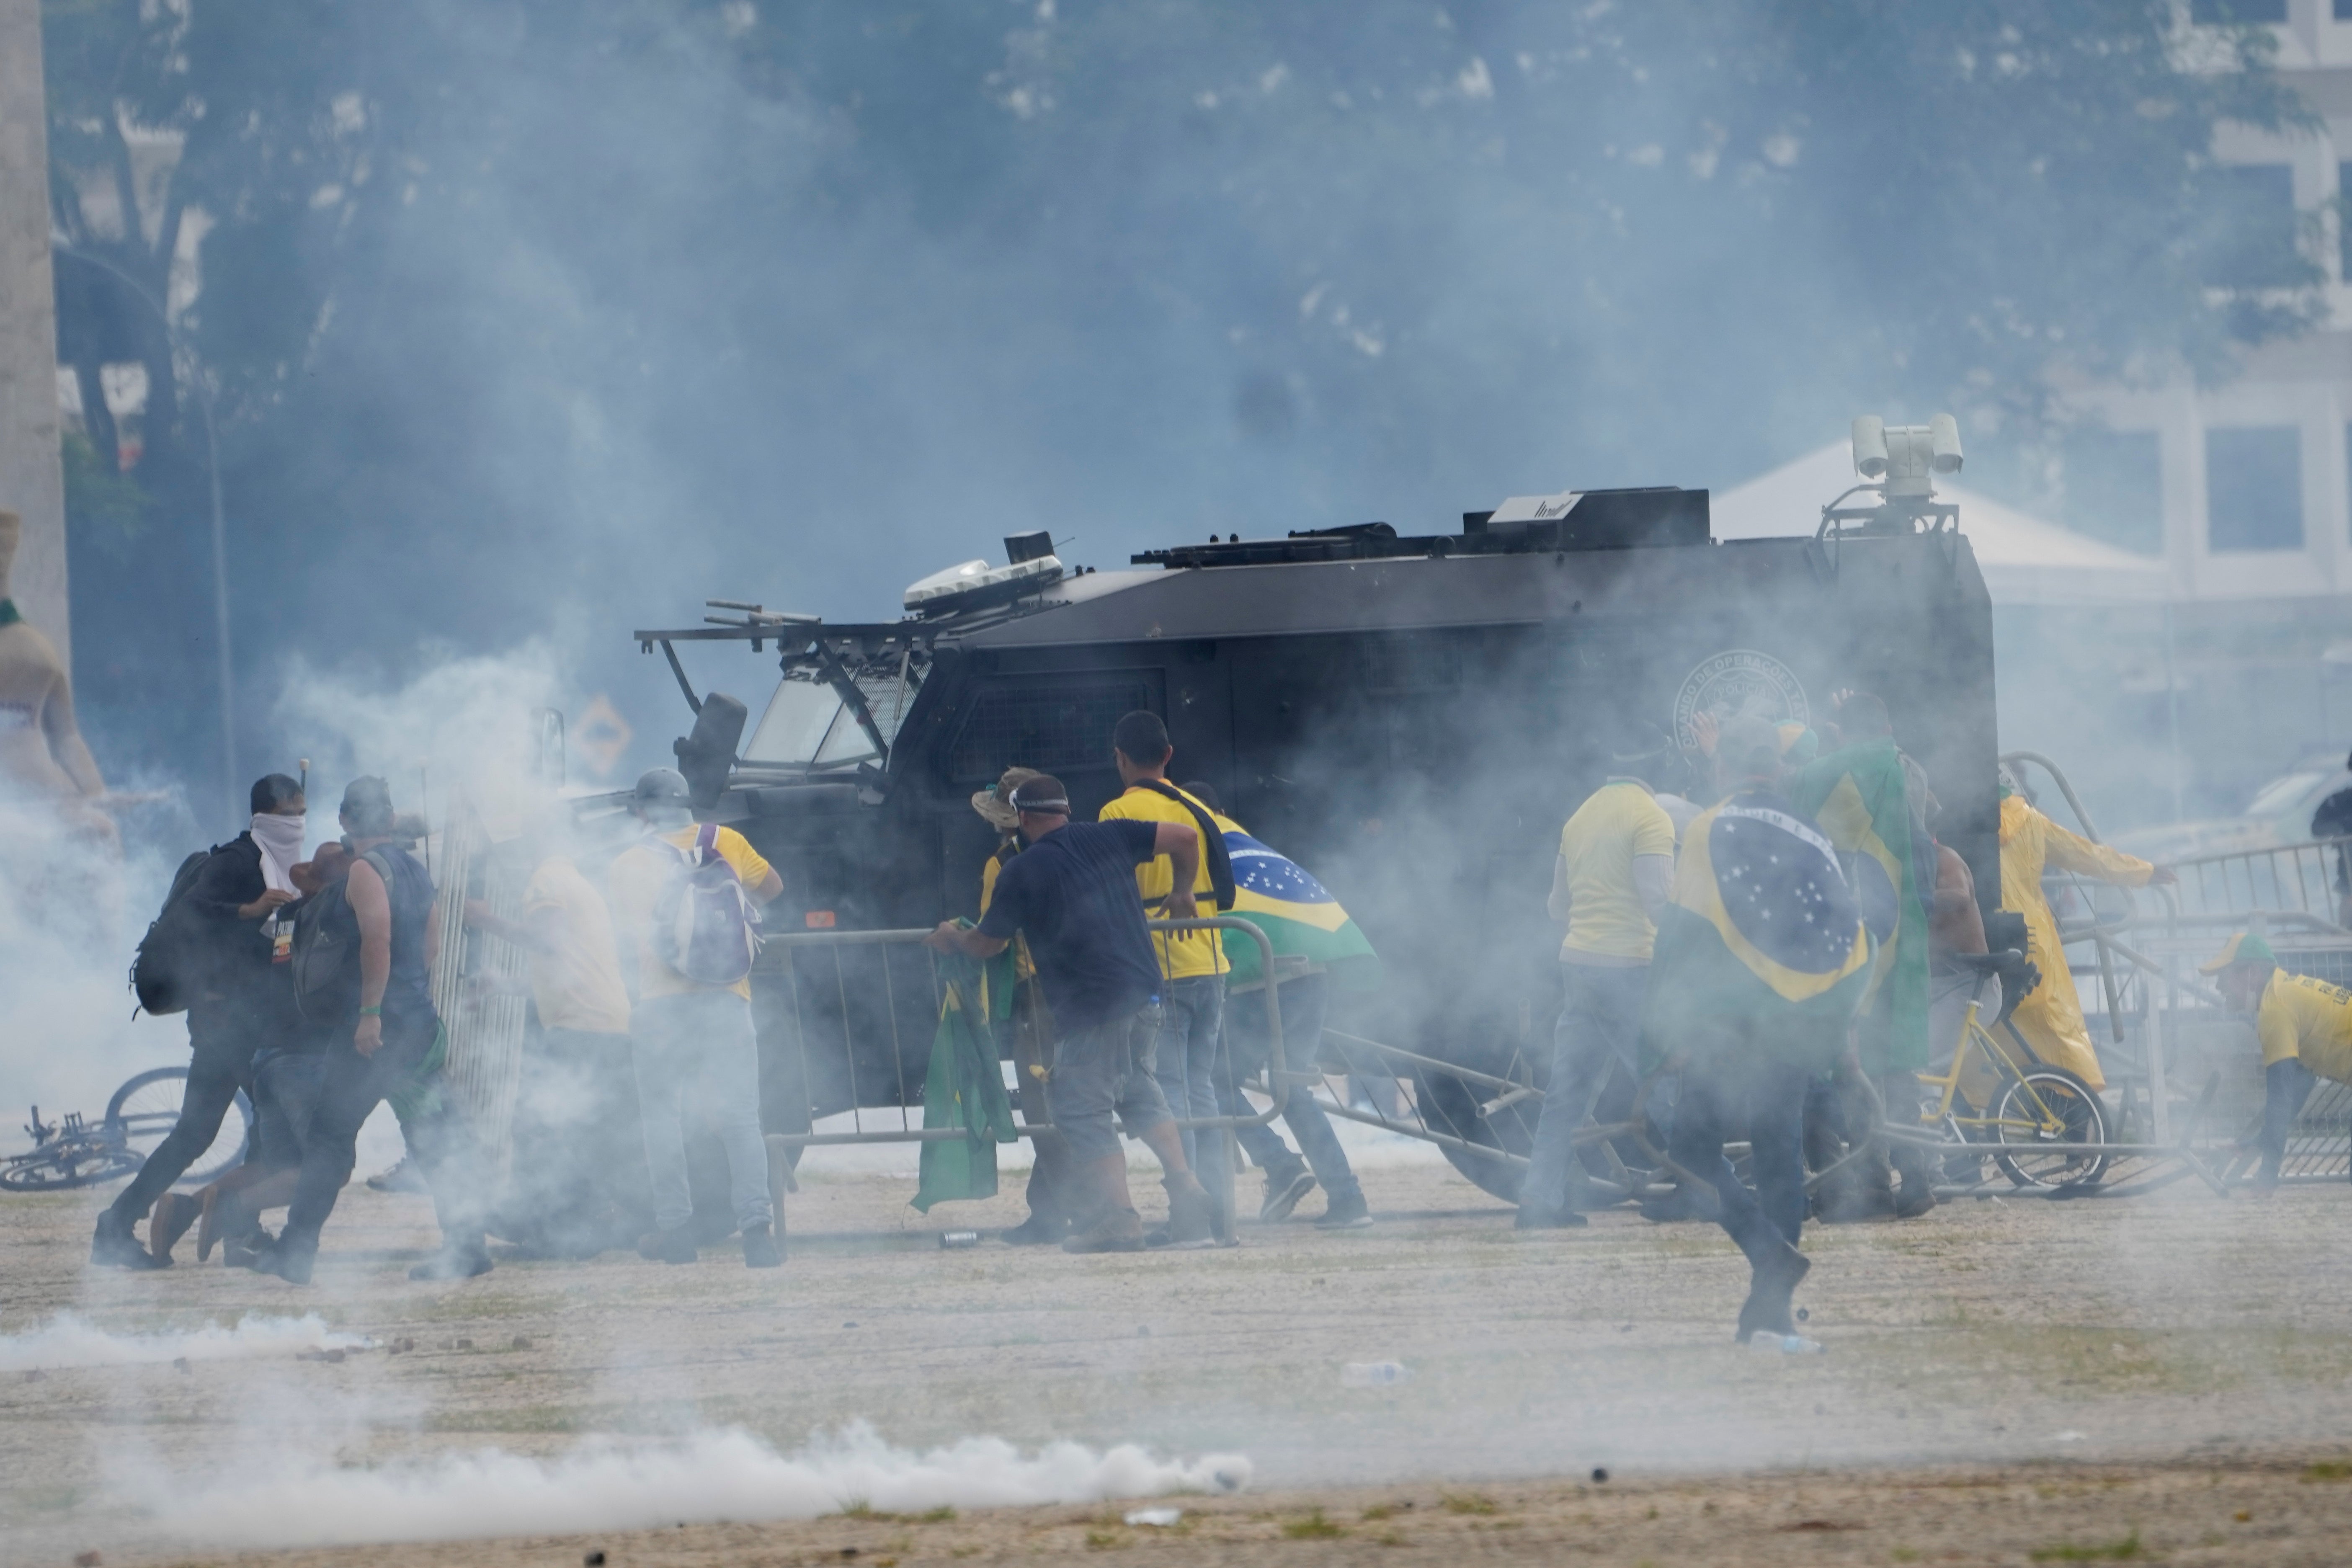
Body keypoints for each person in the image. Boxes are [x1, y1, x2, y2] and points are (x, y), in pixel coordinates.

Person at [1643, 717, 1874, 1343]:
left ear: (1724, 773)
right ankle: (1767, 1315)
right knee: (1779, 1157)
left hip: (1727, 1022)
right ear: (1778, 772)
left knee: (1689, 1153)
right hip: (1798, 1021)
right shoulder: (1814, 835)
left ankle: (1765, 1251)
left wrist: (1664, 1033)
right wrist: (1842, 1036)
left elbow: (1682, 934)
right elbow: (1854, 937)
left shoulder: (1705, 829)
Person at [925, 773, 1217, 1253]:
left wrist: (951, 938)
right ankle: (1189, 1197)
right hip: (1145, 993)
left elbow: (986, 944)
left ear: (1021, 817)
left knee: (1080, 1111)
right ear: (1065, 808)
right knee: (1141, 1093)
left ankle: (1120, 1219)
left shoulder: (1023, 869)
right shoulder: (1110, 834)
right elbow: (1186, 838)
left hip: (1090, 1004)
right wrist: (1183, 890)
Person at [258, 777, 488, 1284]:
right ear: (388, 820)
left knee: (330, 1138)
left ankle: (295, 1254)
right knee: (435, 1137)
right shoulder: (414, 868)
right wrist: (412, 996)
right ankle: (469, 1248)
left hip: (379, 1035)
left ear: (344, 821)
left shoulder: (365, 870)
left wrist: (371, 1014)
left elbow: (376, 941)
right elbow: (431, 945)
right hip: (420, 1027)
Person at [91, 773, 307, 1269]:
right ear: (264, 816)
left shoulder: (277, 863)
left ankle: (118, 1225)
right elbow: (194, 913)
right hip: (229, 1020)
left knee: (196, 1133)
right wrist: (250, 909)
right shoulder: (238, 861)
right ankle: (239, 1230)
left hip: (235, 1019)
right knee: (268, 1129)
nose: (297, 823)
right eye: (289, 815)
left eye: (302, 814)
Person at [606, 767, 784, 1269]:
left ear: (642, 811)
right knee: (740, 1118)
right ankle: (757, 1237)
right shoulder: (727, 841)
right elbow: (773, 887)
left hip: (661, 1006)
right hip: (727, 997)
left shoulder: (625, 865)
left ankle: (677, 1236)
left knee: (662, 1120)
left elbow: (626, 937)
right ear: (688, 805)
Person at [1177, 780, 1375, 1231]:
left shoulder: (1201, 846)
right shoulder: (1251, 844)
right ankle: (1349, 1199)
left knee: (1211, 1081)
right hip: (1311, 973)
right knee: (1291, 1086)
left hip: (1264, 980)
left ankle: (1280, 1165)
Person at [464, 811, 648, 1258]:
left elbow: (548, 943)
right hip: (601, 1021)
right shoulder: (579, 883)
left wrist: (485, 920)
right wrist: (502, 985)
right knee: (582, 1130)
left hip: (581, 1026)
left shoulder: (546, 881)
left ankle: (556, 1229)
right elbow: (566, 964)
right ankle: (567, 1224)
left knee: (550, 1126)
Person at [1518, 729, 1679, 1231]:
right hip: (1629, 964)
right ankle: (1702, 1188)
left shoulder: (1580, 816)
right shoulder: (1651, 816)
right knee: (1662, 1080)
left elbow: (1555, 907)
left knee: (1566, 1092)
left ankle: (1538, 1200)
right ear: (1659, 770)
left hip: (1579, 964)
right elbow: (1658, 900)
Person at [1787, 692, 1939, 1220]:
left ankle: (1872, 1185)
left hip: (1836, 942)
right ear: (1887, 725)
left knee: (1852, 1065)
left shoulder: (1812, 775)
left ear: (1839, 731)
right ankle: (1915, 1176)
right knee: (1897, 1062)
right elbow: (1924, 842)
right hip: (1899, 932)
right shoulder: (1907, 770)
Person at [1099, 712, 1231, 1234]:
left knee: (1171, 1094)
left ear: (1121, 759)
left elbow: (1112, 888)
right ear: (1169, 755)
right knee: (1202, 1091)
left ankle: (1192, 1217)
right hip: (1214, 961)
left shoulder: (1116, 811)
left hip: (1163, 969)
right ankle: (1220, 1209)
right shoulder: (1199, 807)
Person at [1997, 771, 2174, 1091]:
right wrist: (2144, 871)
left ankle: (1983, 1117)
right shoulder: (2033, 821)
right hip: (2033, 943)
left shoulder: (1960, 823)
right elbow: (2087, 855)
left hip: (1983, 937)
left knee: (1989, 1035)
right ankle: (2080, 1109)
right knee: (2059, 1032)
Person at [971, 767, 1082, 1246]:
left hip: (1037, 994)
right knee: (1078, 1105)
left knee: (1043, 1111)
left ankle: (1073, 1211)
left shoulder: (1003, 864)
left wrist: (959, 940)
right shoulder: (1083, 849)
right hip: (1085, 986)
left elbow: (991, 936)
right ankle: (1050, 1209)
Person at [2203, 931, 2352, 1192]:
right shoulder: (2286, 994)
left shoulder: (2276, 1008)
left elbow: (2281, 1099)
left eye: (2225, 976)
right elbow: (2297, 1090)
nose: (2219, 987)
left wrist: (2268, 1175)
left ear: (2254, 973)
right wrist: (2255, 1142)